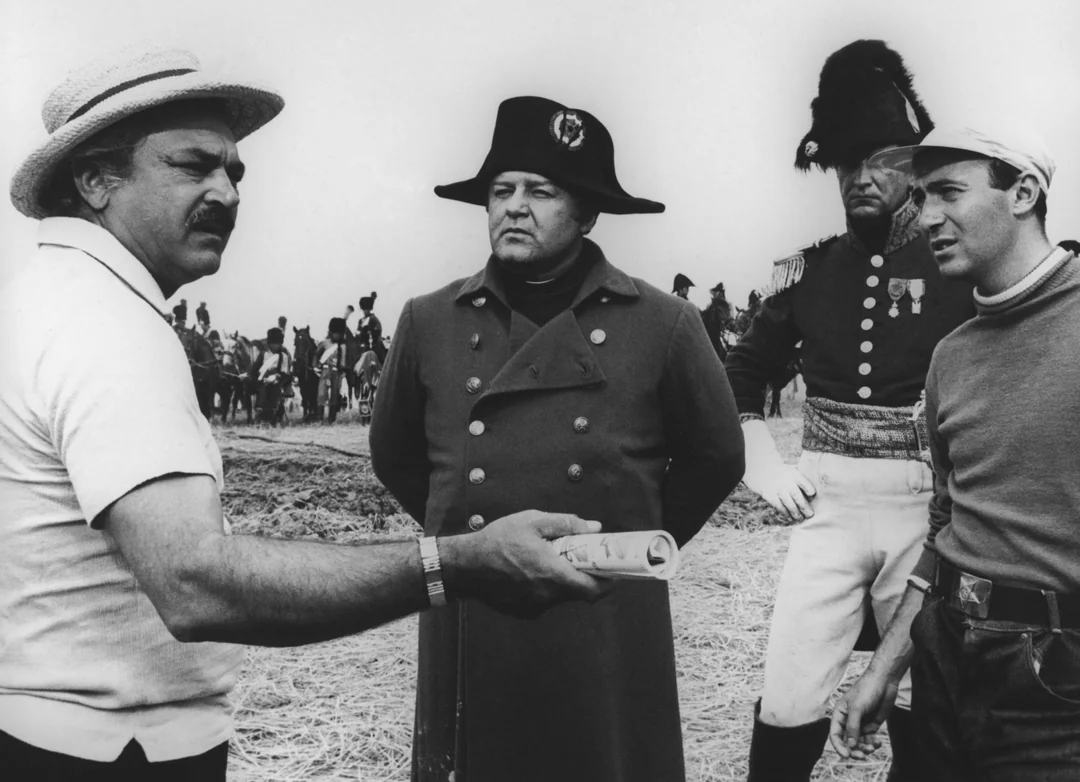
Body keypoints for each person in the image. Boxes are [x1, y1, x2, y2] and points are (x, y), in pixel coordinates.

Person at [0, 46, 609, 781]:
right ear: (96, 179)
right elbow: (195, 584)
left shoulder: (49, 296)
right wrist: (456, 563)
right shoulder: (105, 326)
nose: (227, 193)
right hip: (111, 752)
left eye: (235, 172)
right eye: (193, 166)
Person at [370, 95, 745, 782]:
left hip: (601, 610)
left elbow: (716, 456)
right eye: (501, 190)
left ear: (587, 213)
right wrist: (469, 542)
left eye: (540, 192)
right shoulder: (428, 320)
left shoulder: (663, 322)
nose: (514, 207)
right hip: (474, 604)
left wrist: (622, 550)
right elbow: (394, 454)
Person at [723, 40, 976, 782]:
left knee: (924, 701)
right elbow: (743, 371)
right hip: (824, 506)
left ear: (914, 166)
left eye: (880, 161)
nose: (860, 178)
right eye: (843, 163)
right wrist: (759, 457)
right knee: (788, 695)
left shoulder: (955, 262)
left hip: (924, 509)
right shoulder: (809, 270)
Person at [831, 117, 1080, 781]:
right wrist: (885, 669)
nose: (926, 217)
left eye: (948, 192)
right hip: (944, 658)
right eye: (920, 198)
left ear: (1023, 193)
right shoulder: (951, 356)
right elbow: (947, 527)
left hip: (1057, 689)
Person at [254, 327, 291, 424]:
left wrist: (276, 377)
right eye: (274, 343)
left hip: (277, 380)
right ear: (270, 343)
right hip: (263, 379)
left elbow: (285, 372)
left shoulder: (284, 356)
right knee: (262, 391)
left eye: (278, 343)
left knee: (275, 391)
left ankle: (272, 416)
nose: (276, 346)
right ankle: (260, 414)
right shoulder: (263, 354)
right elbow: (255, 367)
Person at [315, 317, 348, 423]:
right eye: (335, 333)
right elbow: (316, 355)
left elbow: (343, 360)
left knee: (334, 394)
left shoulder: (343, 346)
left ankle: (331, 418)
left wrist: (343, 371)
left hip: (336, 372)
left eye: (339, 333)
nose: (337, 335)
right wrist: (315, 367)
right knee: (321, 393)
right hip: (325, 371)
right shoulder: (324, 343)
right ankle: (319, 418)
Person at [701, 281, 734, 360]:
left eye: (719, 292)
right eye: (716, 292)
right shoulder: (710, 306)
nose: (717, 294)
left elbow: (730, 317)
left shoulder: (727, 304)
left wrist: (727, 323)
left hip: (725, 331)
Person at [357, 291, 385, 362]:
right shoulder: (360, 321)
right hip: (361, 347)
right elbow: (358, 333)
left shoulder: (373, 319)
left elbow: (378, 332)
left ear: (370, 309)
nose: (365, 311)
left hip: (372, 347)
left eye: (366, 309)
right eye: (363, 309)